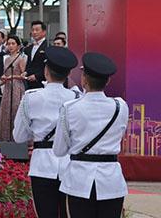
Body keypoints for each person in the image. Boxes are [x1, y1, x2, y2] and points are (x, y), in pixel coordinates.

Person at [53, 53, 128, 218]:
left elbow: (59, 150)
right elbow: (120, 134)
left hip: (79, 180)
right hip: (111, 180)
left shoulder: (69, 108)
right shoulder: (121, 106)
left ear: (84, 79)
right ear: (108, 81)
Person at [13, 46, 80, 218]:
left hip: (42, 164)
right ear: (68, 74)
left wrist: (35, 132)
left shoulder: (31, 97)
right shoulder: (76, 98)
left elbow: (19, 136)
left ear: (46, 71)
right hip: (69, 163)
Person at [0, 36, 27, 141]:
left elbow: (23, 76)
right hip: (7, 87)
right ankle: (5, 137)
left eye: (13, 44)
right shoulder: (6, 59)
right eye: (9, 44)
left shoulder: (21, 58)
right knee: (6, 111)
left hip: (17, 86)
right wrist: (4, 78)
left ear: (18, 46)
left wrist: (12, 77)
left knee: (15, 110)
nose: (11, 46)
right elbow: (5, 73)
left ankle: (16, 138)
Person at [23, 21, 48, 91]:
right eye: (33, 30)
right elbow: (29, 64)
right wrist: (26, 72)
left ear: (44, 32)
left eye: (37, 30)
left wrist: (37, 76)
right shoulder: (29, 48)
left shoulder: (48, 47)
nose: (34, 32)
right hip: (28, 83)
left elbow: (47, 66)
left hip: (42, 83)